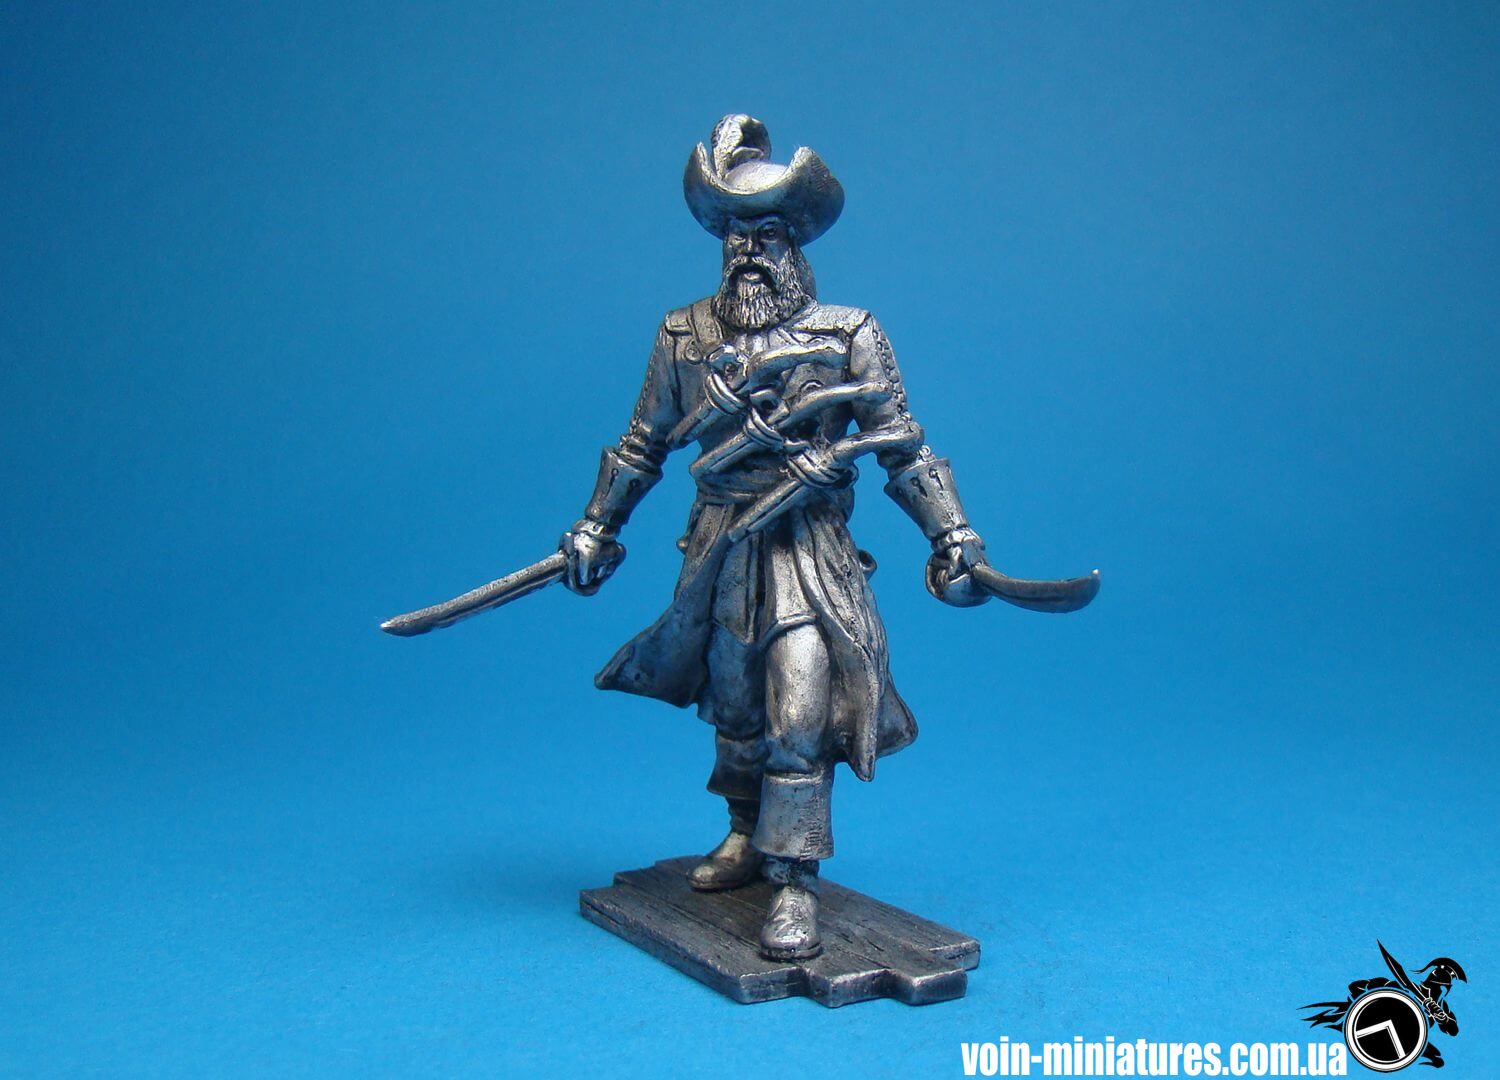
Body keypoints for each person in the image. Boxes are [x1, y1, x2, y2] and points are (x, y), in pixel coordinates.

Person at [559, 115, 989, 960]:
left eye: (766, 235)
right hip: (720, 546)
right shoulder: (684, 336)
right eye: (734, 235)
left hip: (809, 549)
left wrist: (952, 535)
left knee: (800, 706)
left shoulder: (849, 333)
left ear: (795, 242)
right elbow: (644, 443)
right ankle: (743, 830)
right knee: (735, 702)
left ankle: (794, 878)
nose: (748, 252)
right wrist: (596, 527)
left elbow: (902, 446)